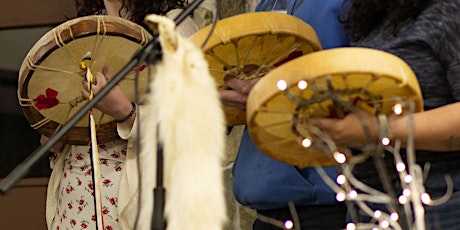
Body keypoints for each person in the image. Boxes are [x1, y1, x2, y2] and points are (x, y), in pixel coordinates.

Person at [40, 0, 204, 229]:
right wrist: (58, 133)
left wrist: (127, 113)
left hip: (139, 204)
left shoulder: (172, 22)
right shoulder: (85, 26)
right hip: (75, 198)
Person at [308, 0, 460, 229]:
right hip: (369, 208)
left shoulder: (450, 11)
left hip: (442, 207)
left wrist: (380, 130)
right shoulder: (378, 21)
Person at [222, 0, 350, 229]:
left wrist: (280, 91)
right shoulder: (268, 3)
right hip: (265, 200)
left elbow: (373, 91)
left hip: (331, 201)